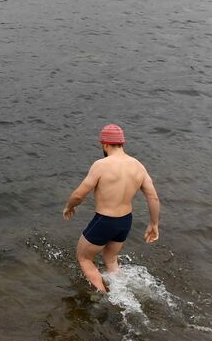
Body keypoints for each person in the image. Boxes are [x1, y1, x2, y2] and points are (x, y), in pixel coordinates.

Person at [62, 124, 161, 294]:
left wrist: (69, 206)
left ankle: (104, 296)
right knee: (111, 259)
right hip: (125, 222)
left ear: (105, 144)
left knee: (84, 258)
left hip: (104, 220)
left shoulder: (101, 165)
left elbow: (79, 195)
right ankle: (123, 294)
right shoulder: (138, 165)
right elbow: (153, 197)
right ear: (122, 143)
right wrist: (154, 224)